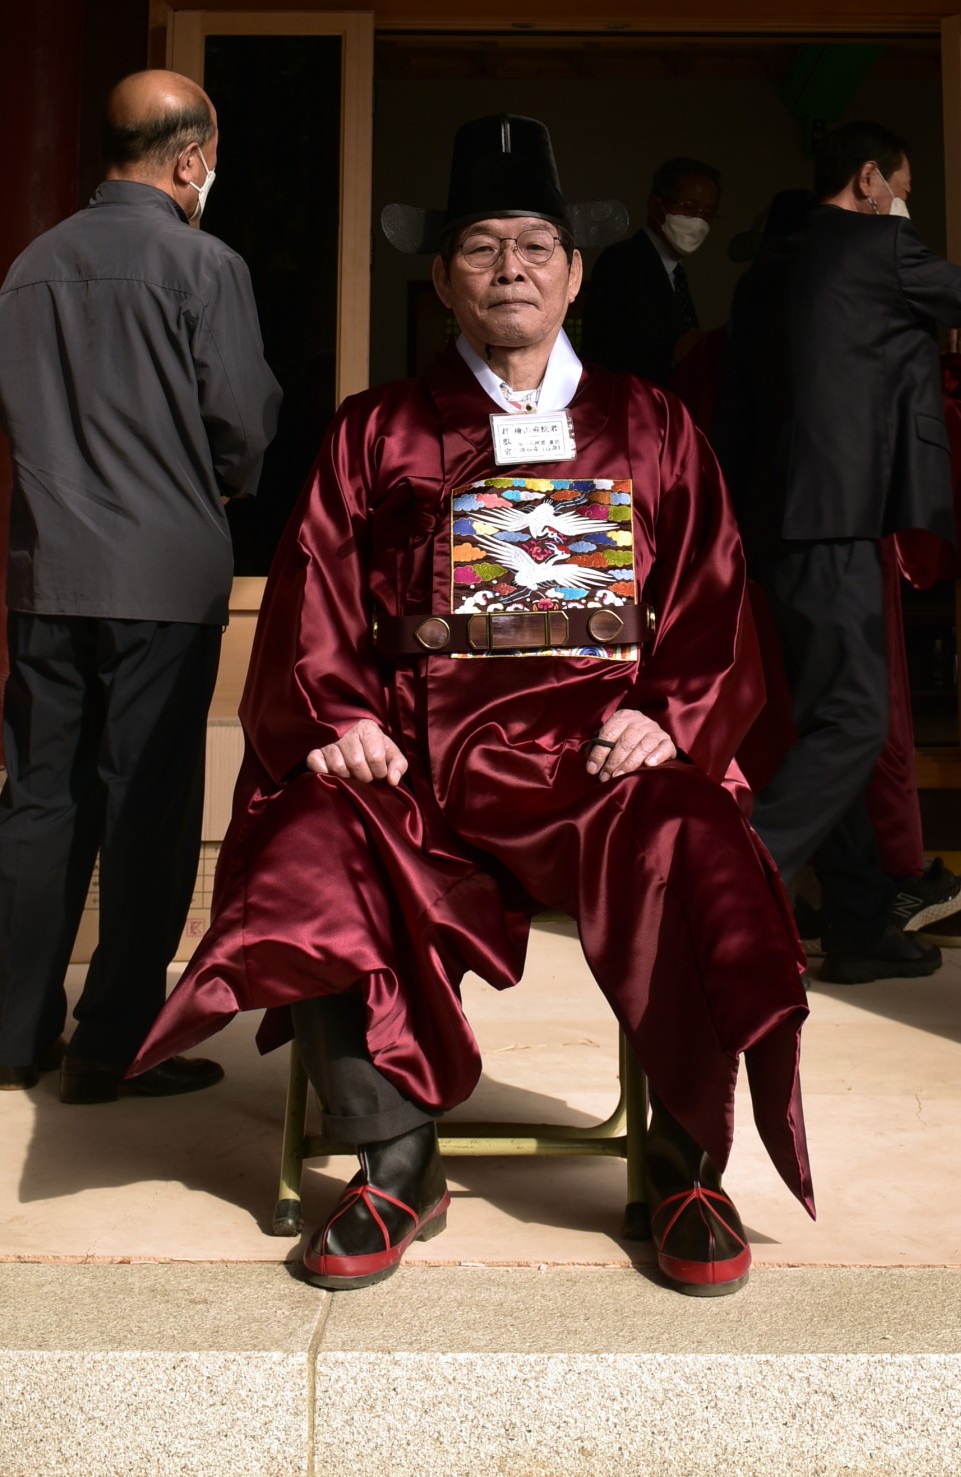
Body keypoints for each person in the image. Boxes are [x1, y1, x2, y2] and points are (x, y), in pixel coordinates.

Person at [131, 114, 814, 1297]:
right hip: (420, 767)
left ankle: (684, 1166)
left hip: (599, 771)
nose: (511, 268)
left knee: (698, 836)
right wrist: (340, 716)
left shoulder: (654, 425)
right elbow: (314, 593)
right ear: (444, 277)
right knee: (309, 839)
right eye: (483, 247)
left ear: (576, 275)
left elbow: (714, 592)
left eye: (535, 246)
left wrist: (670, 712)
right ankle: (396, 1157)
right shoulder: (375, 428)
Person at [716, 120, 961, 987]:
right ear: (869, 179)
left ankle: (857, 924)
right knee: (855, 721)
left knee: (832, 719)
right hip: (834, 519)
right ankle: (725, 884)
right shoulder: (873, 244)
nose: (904, 204)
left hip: (775, 525)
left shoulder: (768, 268)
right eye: (903, 187)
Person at [0, 69, 283, 1102]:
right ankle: (111, 1041)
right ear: (191, 158)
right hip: (161, 571)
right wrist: (218, 479)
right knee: (146, 802)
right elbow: (241, 420)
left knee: (39, 795)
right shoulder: (203, 263)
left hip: (48, 570)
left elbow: (11, 409)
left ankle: (16, 1036)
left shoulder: (29, 266)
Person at [581, 156, 721, 384]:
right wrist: (672, 353)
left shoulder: (677, 274)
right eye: (689, 207)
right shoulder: (621, 262)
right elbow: (604, 350)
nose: (699, 221)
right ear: (656, 206)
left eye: (707, 213)